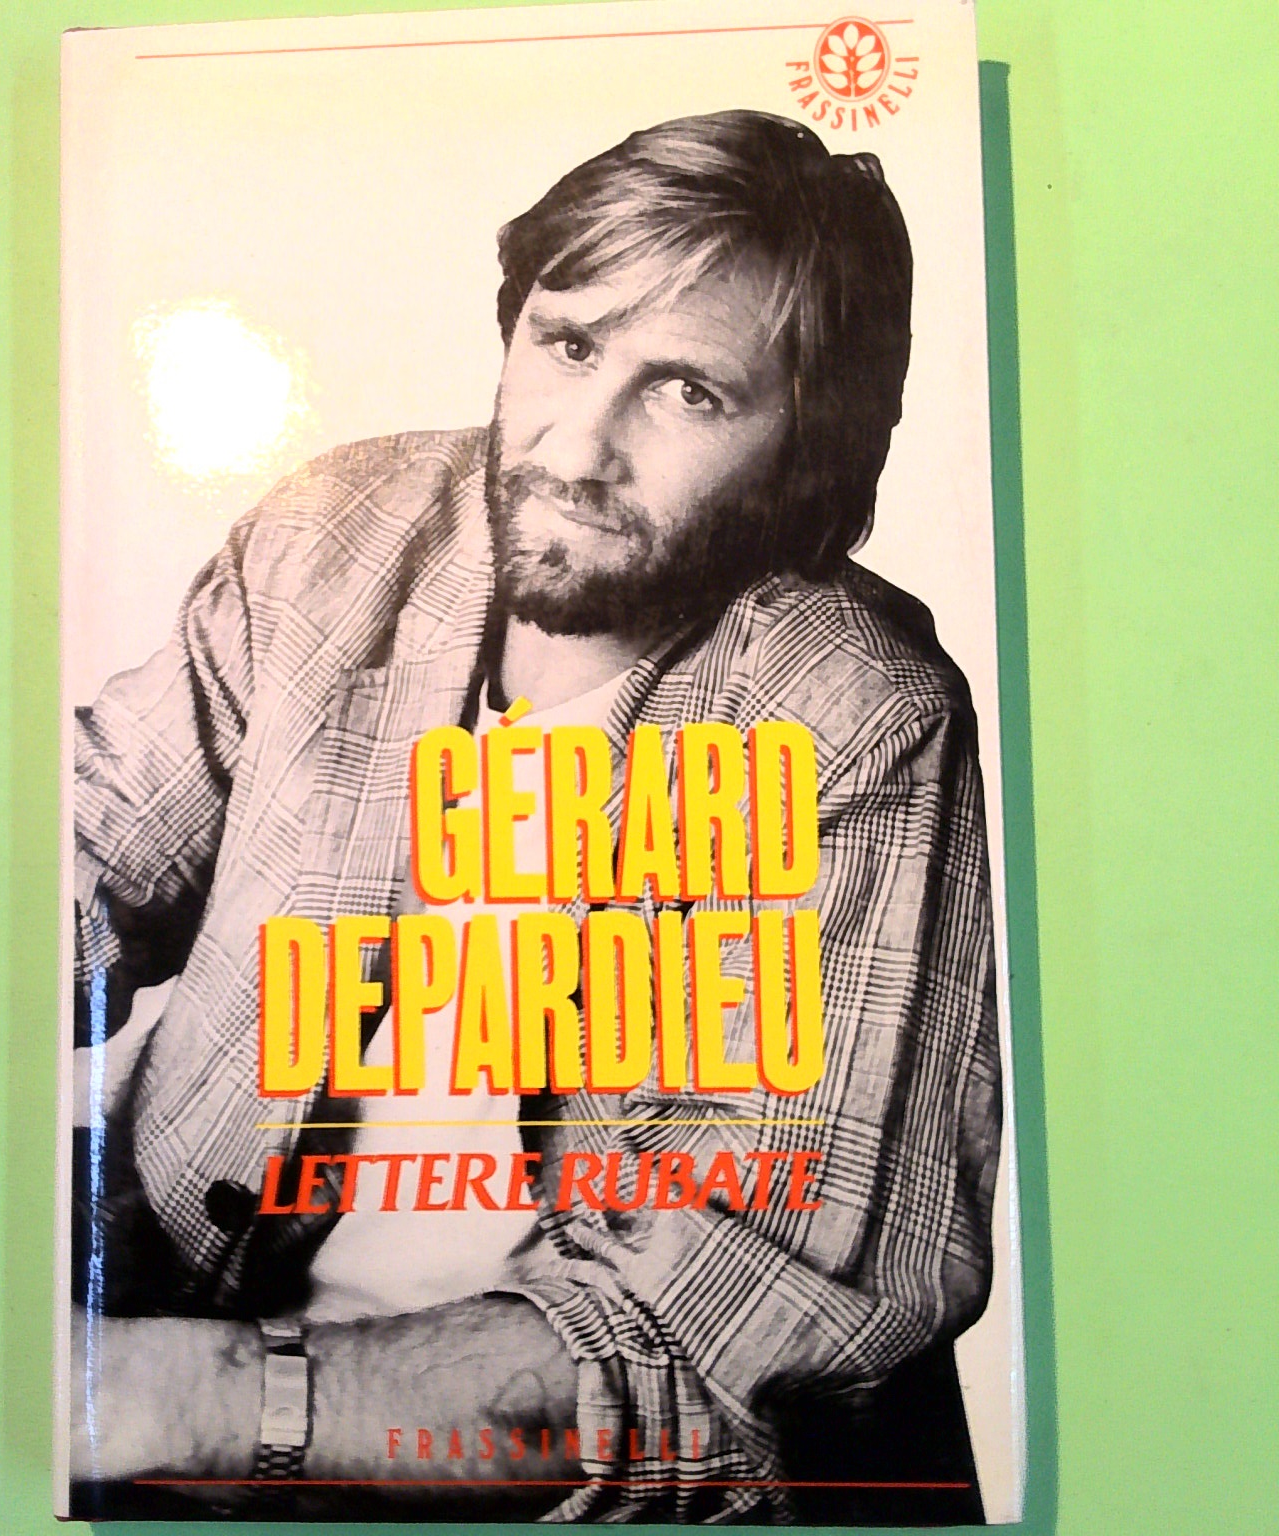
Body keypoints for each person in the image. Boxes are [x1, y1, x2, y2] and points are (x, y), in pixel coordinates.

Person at [70, 109, 1002, 1525]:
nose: (577, 450)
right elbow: (74, 862)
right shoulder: (341, 533)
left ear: (809, 451)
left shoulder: (852, 718)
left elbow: (719, 1330)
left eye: (688, 392)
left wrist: (184, 1398)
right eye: (568, 345)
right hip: (167, 1388)